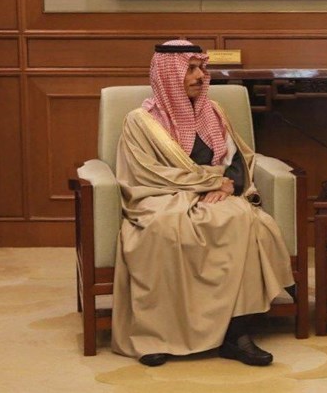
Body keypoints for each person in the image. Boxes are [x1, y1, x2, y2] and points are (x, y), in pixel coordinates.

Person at [112, 40, 295, 367]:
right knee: (162, 229)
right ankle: (157, 335)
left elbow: (238, 159)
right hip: (161, 196)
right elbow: (146, 173)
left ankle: (236, 334)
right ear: (169, 75)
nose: (200, 76)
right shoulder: (140, 121)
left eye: (201, 68)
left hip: (218, 193)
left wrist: (229, 185)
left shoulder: (213, 112)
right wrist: (210, 181)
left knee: (244, 220)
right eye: (191, 69)